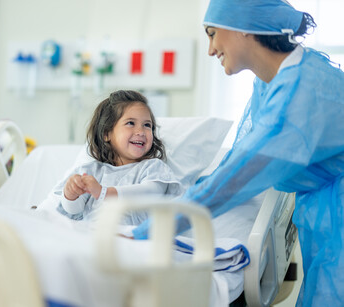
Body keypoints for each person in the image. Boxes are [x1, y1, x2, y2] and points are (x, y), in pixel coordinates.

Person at [132, 0, 344, 305]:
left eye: (212, 33)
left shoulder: (299, 92)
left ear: (243, 28)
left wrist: (148, 232)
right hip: (324, 214)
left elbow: (233, 181)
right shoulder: (273, 82)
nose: (210, 48)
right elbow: (236, 160)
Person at [54, 90, 182, 224]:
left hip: (130, 236)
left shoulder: (153, 168)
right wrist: (70, 195)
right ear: (106, 134)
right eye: (131, 123)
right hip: (90, 234)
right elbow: (74, 211)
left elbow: (150, 192)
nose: (141, 132)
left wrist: (104, 192)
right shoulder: (93, 171)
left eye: (147, 125)